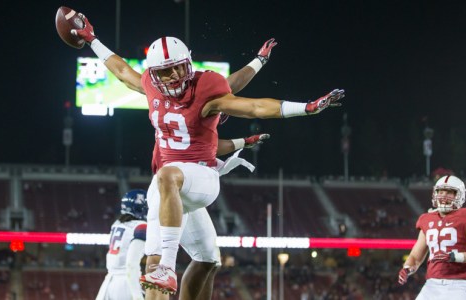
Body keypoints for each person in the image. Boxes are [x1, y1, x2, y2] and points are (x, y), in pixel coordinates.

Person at [72, 14, 343, 298]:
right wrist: (92, 40)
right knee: (205, 259)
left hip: (199, 177)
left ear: (188, 64)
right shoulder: (151, 87)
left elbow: (253, 107)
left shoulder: (205, 91)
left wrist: (306, 108)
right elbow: (122, 71)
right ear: (153, 75)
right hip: (168, 188)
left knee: (166, 189)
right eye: (165, 72)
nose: (174, 76)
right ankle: (161, 267)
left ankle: (167, 266)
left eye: (178, 68)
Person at [398, 175, 466, 299]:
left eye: (449, 192)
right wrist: (407, 268)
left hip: (458, 284)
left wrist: (455, 256)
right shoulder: (426, 219)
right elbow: (415, 256)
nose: (443, 196)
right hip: (431, 284)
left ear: (460, 195)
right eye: (440, 191)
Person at [96, 189, 149, 300]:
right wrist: (137, 295)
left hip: (109, 281)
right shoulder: (141, 226)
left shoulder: (117, 223)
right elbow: (131, 264)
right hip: (126, 282)